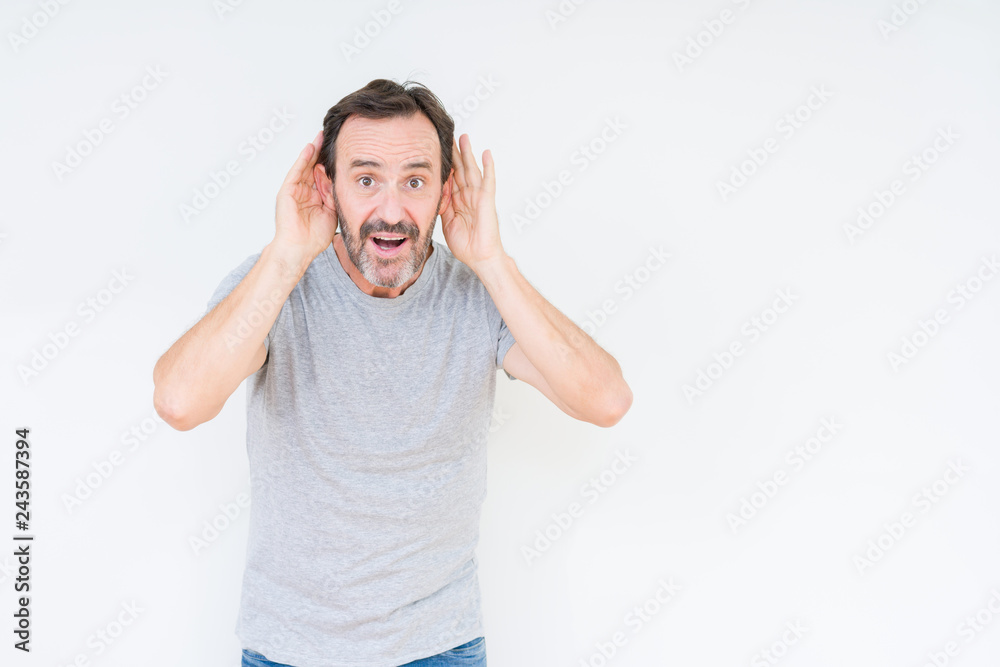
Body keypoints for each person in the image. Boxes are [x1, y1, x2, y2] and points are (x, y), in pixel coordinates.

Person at [152, 79, 632, 667]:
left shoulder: (477, 294)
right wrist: (285, 255)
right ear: (327, 187)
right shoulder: (274, 285)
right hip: (290, 651)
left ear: (443, 191)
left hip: (439, 648)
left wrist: (492, 261)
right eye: (365, 178)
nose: (390, 210)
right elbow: (179, 402)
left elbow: (605, 401)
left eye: (414, 180)